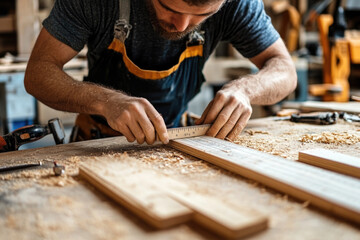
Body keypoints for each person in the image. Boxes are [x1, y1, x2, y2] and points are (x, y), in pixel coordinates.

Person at [24, 0, 297, 145]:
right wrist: (106, 102)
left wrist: (246, 90)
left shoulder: (237, 4)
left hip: (178, 138)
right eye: (170, 9)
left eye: (200, 16)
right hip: (99, 138)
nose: (181, 26)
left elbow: (284, 69)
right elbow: (38, 73)